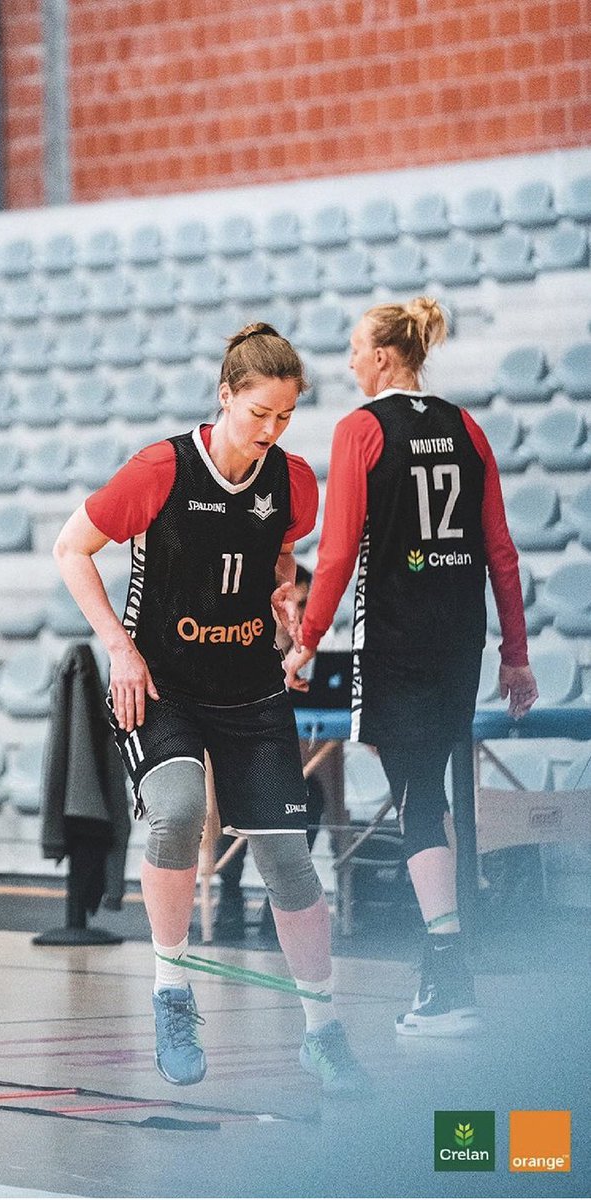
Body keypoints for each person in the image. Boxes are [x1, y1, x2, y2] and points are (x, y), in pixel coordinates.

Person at [53, 323, 370, 1097]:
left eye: (285, 417)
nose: (270, 430)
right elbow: (70, 547)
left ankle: (322, 1032)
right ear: (224, 395)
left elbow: (280, 548)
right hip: (159, 683)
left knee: (287, 860)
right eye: (258, 412)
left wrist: (283, 592)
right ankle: (170, 991)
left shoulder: (292, 479)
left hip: (249, 685)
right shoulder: (159, 469)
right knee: (177, 813)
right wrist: (120, 652)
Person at [284, 297, 538, 1038]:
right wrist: (514, 655)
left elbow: (335, 556)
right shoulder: (466, 427)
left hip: (393, 637)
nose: (351, 362)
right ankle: (445, 963)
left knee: (415, 793)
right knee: (426, 789)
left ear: (385, 358)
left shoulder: (360, 429)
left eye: (357, 350)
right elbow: (500, 552)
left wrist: (304, 639)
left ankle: (448, 971)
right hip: (458, 636)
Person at [212, 564, 326, 942]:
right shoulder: (242, 640)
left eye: (309, 603)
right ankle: (228, 894)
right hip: (234, 750)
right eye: (299, 602)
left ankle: (278, 904)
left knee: (315, 793)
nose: (304, 612)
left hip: (279, 753)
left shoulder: (305, 650)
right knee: (234, 791)